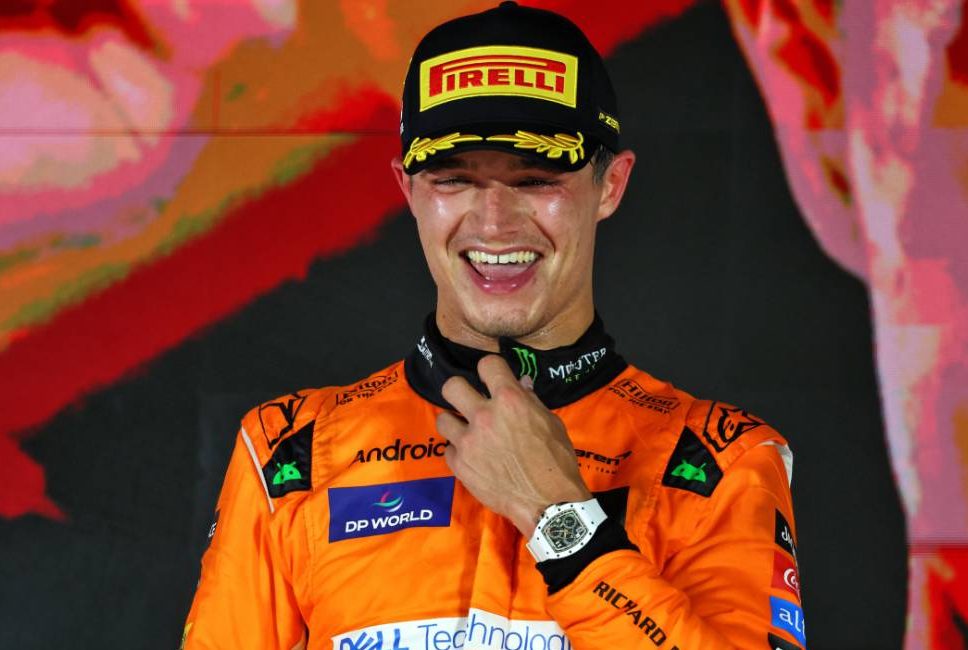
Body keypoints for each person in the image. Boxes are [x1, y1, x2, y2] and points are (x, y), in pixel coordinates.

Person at [181, 3, 804, 649]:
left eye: (537, 179)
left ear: (611, 185)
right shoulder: (291, 453)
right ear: (408, 190)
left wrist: (560, 520)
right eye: (453, 179)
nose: (496, 223)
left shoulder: (719, 460)